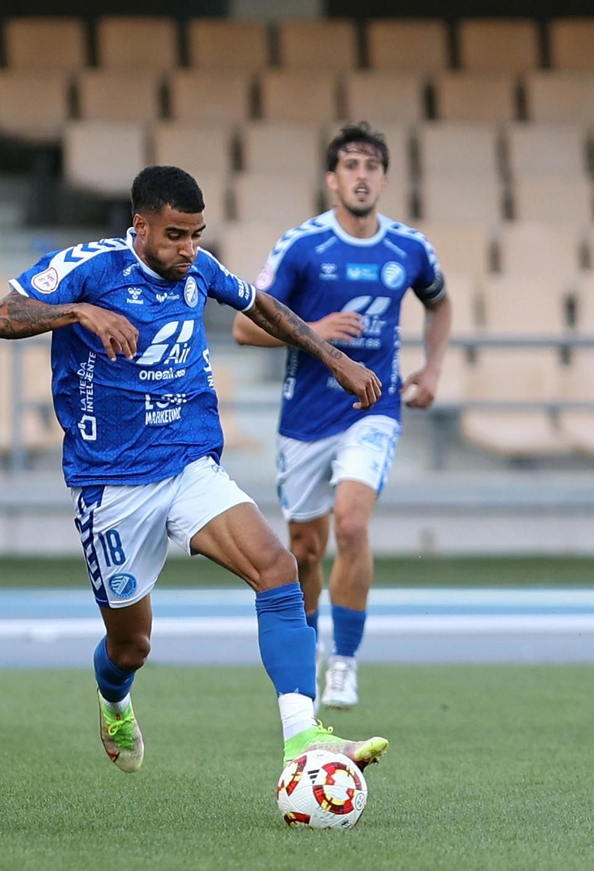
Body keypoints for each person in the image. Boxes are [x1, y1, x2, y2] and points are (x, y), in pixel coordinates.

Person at [0, 165, 390, 775]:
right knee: (131, 645)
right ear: (140, 225)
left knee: (277, 568)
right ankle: (113, 697)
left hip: (188, 460)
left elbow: (262, 306)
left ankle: (304, 737)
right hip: (111, 483)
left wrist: (333, 357)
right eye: (175, 235)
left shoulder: (198, 267)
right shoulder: (88, 269)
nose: (188, 249)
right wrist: (77, 315)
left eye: (196, 235)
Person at [233, 123, 453, 711]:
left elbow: (440, 303)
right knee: (304, 548)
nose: (361, 175)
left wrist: (431, 370)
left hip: (372, 408)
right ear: (332, 180)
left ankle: (345, 662)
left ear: (384, 178)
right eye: (350, 165)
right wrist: (313, 332)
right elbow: (241, 326)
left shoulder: (409, 248)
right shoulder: (303, 246)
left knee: (352, 526)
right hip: (305, 416)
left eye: (371, 165)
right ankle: (305, 656)